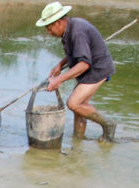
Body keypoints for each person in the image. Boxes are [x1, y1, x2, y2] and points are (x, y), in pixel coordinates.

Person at [36, 2, 117, 142]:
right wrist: (60, 65)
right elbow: (75, 53)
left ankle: (108, 124)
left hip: (97, 69)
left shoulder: (77, 31)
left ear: (59, 22)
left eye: (49, 28)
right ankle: (78, 144)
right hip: (89, 68)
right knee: (79, 108)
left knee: (74, 103)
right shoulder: (68, 29)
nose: (48, 32)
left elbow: (84, 64)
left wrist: (58, 80)